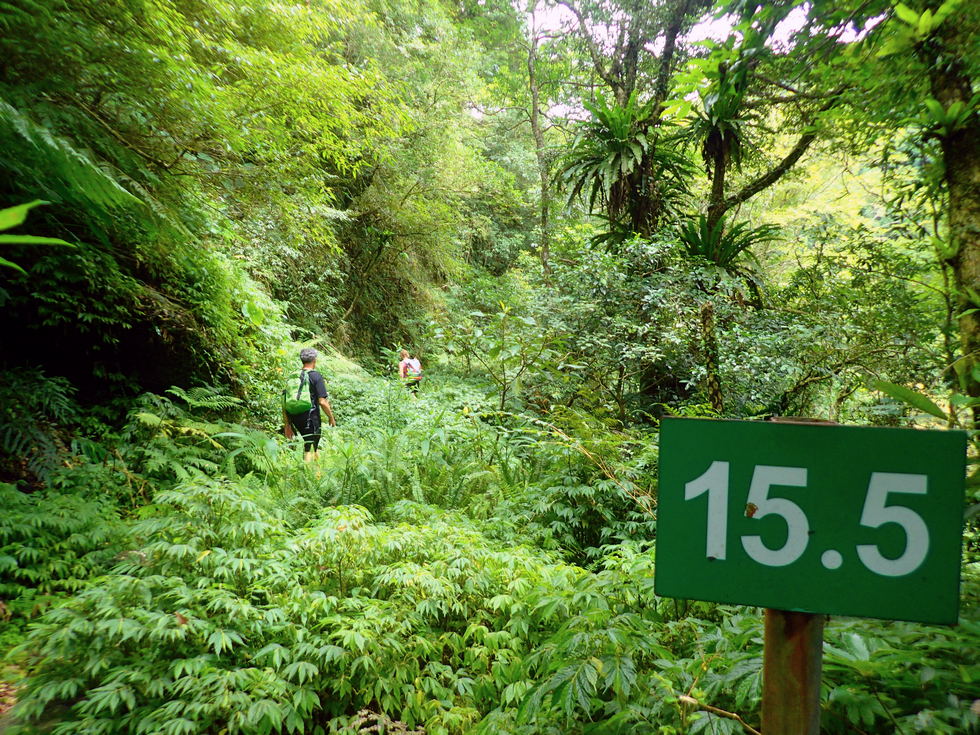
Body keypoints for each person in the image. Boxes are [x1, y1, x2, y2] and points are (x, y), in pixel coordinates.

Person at [283, 348, 336, 461]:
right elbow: (322, 402)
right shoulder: (316, 376)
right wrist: (331, 417)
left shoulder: (293, 376)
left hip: (294, 417)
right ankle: (309, 476)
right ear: (314, 360)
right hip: (310, 418)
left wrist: (287, 424)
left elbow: (284, 401)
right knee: (310, 448)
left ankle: (316, 473)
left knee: (311, 447)